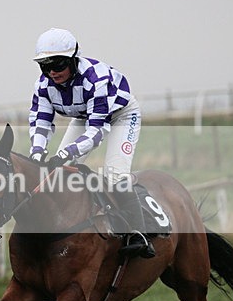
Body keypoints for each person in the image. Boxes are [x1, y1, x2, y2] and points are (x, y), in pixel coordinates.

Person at [28, 27, 155, 258]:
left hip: (121, 115)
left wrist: (66, 153)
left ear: (73, 60)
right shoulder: (43, 86)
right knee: (57, 175)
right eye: (45, 66)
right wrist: (37, 153)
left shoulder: (96, 79)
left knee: (115, 177)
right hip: (84, 115)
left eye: (58, 64)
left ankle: (139, 234)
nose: (52, 72)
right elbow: (41, 122)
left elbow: (97, 132)